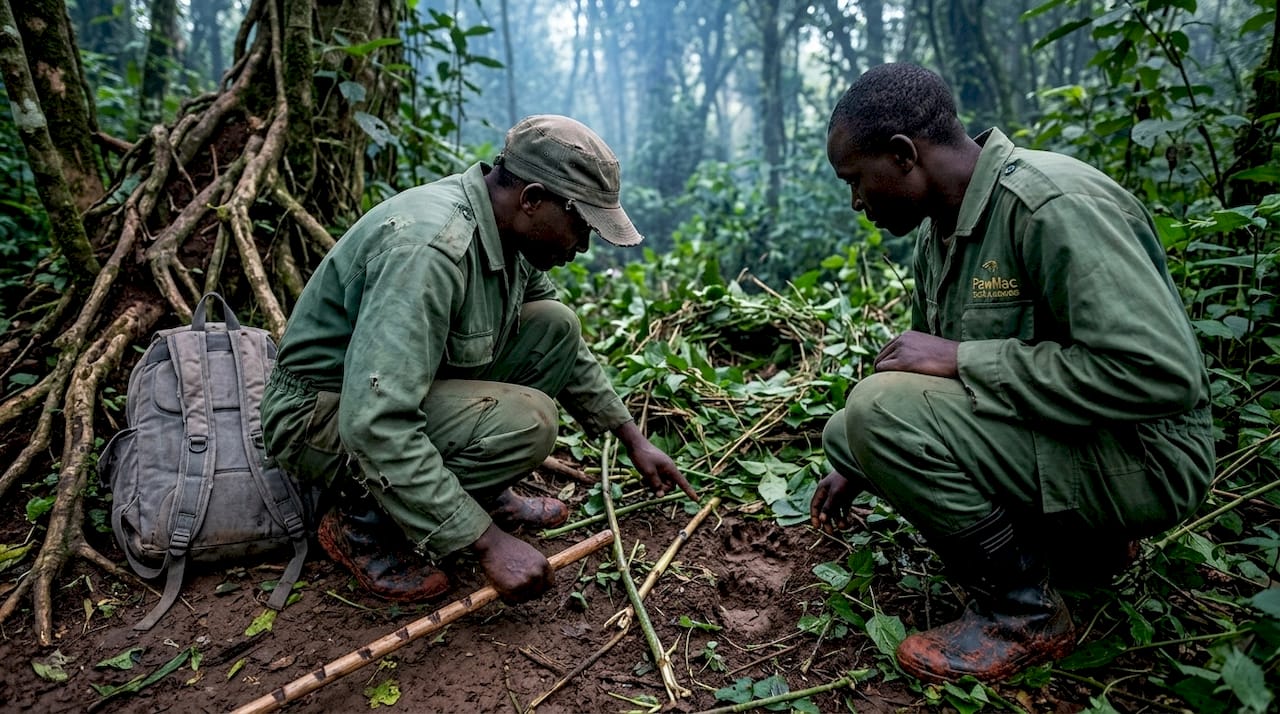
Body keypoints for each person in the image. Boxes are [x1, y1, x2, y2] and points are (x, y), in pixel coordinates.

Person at [810, 64, 1213, 683]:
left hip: (1147, 459)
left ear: (903, 154)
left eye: (856, 180)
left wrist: (962, 358)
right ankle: (1084, 549)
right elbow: (924, 390)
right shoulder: (936, 235)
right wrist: (863, 461)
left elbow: (1160, 375)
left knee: (876, 412)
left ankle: (1024, 615)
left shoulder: (1052, 205)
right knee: (849, 432)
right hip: (1071, 438)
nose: (856, 202)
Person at [261, 115, 697, 606]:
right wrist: (485, 542)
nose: (582, 245)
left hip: (387, 391)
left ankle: (474, 489)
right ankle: (363, 524)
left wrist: (631, 436)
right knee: (529, 421)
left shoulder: (505, 230)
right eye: (581, 225)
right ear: (532, 199)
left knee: (555, 323)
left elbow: (561, 345)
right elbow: (374, 421)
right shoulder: (429, 251)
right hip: (320, 415)